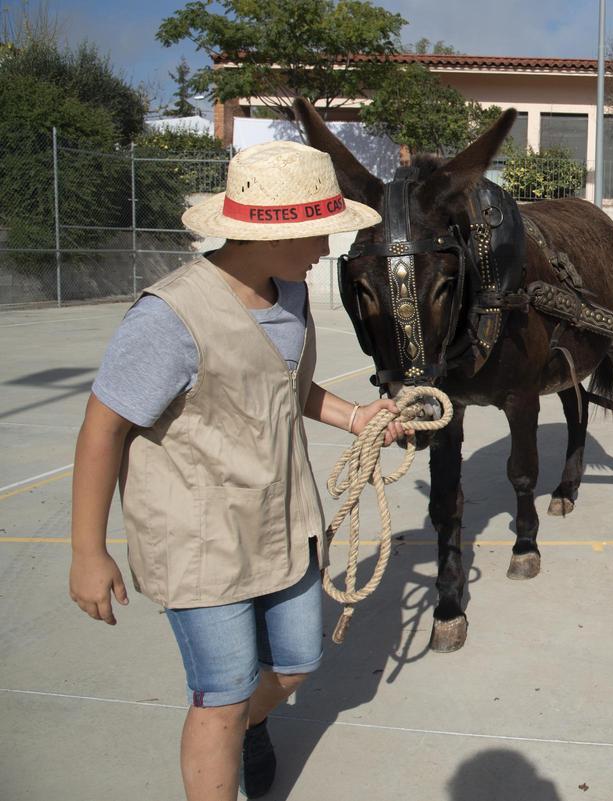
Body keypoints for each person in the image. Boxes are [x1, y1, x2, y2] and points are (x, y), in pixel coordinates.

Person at [68, 140, 410, 801]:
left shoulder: (292, 296)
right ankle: (225, 731)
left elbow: (289, 387)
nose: (326, 249)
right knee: (221, 698)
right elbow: (102, 428)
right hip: (202, 541)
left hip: (285, 524)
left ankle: (241, 724)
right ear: (270, 235)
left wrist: (356, 418)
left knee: (297, 662)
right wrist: (88, 550)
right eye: (320, 234)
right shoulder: (169, 316)